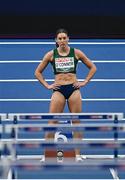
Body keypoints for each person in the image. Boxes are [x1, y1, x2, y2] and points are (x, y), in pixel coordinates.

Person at [35, 28, 97, 161]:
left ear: (68, 39)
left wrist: (85, 81)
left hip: (74, 89)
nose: (62, 41)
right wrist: (47, 85)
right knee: (52, 123)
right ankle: (47, 154)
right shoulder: (51, 55)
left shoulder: (76, 53)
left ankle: (78, 154)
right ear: (56, 41)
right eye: (60, 38)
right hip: (59, 90)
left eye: (64, 38)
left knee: (76, 123)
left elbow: (93, 67)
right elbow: (37, 72)